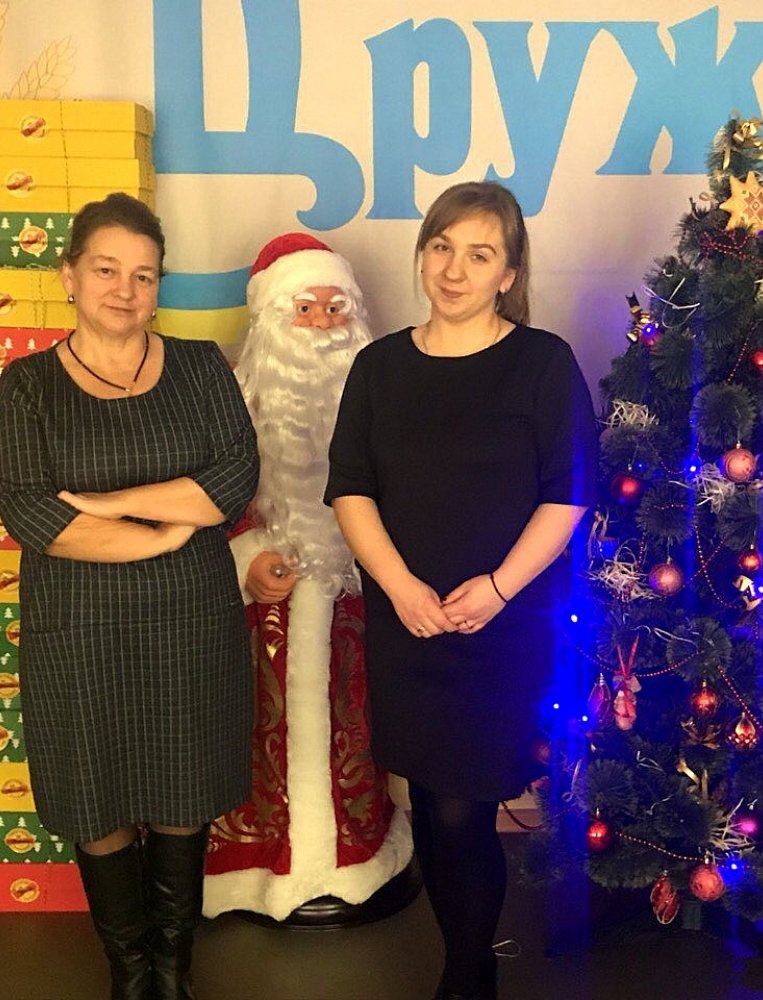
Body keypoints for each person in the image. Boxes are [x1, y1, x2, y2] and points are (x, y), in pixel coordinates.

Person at [325, 181, 599, 1000]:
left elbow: (567, 495)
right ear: (422, 254)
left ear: (508, 274)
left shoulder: (541, 363)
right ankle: (464, 957)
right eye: (441, 247)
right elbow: (350, 488)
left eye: (479, 255)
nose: (453, 269)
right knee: (428, 796)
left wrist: (499, 589)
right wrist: (400, 587)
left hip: (500, 625)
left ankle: (468, 969)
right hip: (404, 620)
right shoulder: (378, 367)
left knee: (463, 805)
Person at [0, 192, 259, 1000]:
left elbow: (233, 479)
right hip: (77, 624)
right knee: (93, 792)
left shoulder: (201, 368)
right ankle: (129, 972)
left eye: (143, 275)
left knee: (184, 788)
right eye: (106, 269)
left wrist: (111, 502)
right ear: (69, 275)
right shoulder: (29, 385)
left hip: (190, 618)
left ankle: (173, 969)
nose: (124, 289)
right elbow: (31, 512)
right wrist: (160, 533)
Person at [205, 233, 414, 921]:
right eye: (305, 308)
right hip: (259, 609)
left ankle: (354, 859)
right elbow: (205, 504)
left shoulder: (383, 401)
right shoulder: (233, 403)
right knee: (257, 733)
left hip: (358, 598)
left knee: (356, 724)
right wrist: (245, 559)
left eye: (335, 307)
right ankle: (258, 869)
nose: (323, 324)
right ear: (272, 319)